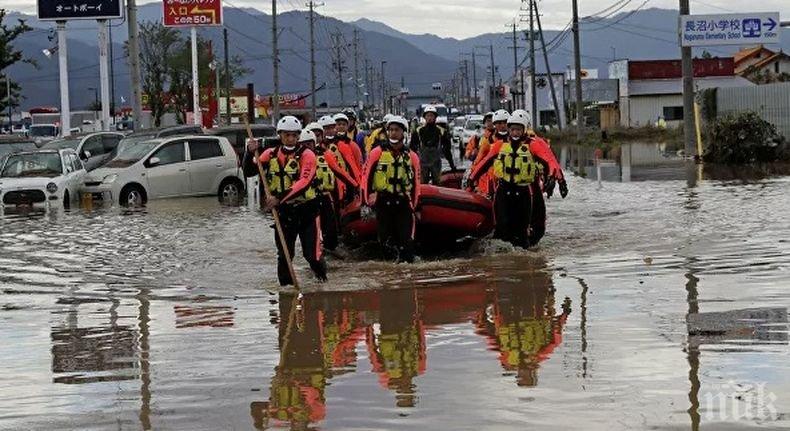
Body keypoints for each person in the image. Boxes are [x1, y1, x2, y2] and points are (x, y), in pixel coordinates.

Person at [243, 115, 327, 285]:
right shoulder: (270, 154)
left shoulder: (308, 155)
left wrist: (279, 198)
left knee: (312, 256)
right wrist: (249, 151)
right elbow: (249, 171)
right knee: (284, 256)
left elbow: (304, 183)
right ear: (280, 135)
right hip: (284, 213)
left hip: (307, 212)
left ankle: (322, 283)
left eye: (294, 135)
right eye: (287, 135)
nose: (290, 139)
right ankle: (286, 294)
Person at [467, 109, 567, 248]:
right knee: (501, 227)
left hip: (524, 190)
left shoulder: (533, 145)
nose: (515, 133)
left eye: (518, 130)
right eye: (512, 129)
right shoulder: (499, 145)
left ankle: (524, 253)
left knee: (523, 230)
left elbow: (550, 161)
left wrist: (559, 180)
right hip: (504, 189)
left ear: (524, 129)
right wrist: (471, 180)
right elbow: (484, 163)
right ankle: (502, 259)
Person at [361, 116, 421, 263]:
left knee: (406, 245)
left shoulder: (412, 156)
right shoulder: (377, 153)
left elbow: (417, 184)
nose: (393, 133)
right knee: (386, 245)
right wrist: (364, 203)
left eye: (397, 130)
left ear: (404, 133)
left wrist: (417, 206)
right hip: (383, 202)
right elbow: (366, 178)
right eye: (391, 130)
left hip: (403, 203)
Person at [300, 125, 358, 252]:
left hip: (325, 197)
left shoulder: (325, 155)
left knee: (331, 231)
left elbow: (340, 173)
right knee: (312, 231)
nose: (307, 147)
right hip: (306, 200)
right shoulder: (295, 159)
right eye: (304, 144)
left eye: (309, 143)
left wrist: (356, 186)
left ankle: (331, 249)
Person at [469, 109, 510, 198]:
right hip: (494, 179)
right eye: (499, 123)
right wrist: (473, 179)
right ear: (495, 125)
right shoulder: (488, 142)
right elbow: (479, 161)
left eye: (505, 122)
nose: (503, 126)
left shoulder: (516, 139)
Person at [409, 106, 452, 184]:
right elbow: (412, 149)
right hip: (422, 163)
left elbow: (447, 149)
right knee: (422, 184)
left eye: (431, 115)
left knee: (437, 184)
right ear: (424, 117)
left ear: (435, 117)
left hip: (436, 163)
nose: (429, 118)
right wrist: (411, 164)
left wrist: (451, 164)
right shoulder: (418, 131)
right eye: (428, 115)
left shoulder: (441, 131)